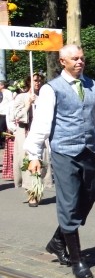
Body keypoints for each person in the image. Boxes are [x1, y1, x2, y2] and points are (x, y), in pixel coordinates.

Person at [25, 45, 95, 278]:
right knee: (69, 203)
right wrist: (34, 155)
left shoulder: (92, 85)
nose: (80, 62)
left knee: (89, 197)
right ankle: (77, 259)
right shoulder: (52, 89)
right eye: (75, 59)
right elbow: (42, 123)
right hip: (64, 152)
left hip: (89, 150)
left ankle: (57, 241)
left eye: (82, 58)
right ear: (63, 62)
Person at [9, 74, 50, 203]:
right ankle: (31, 191)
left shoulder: (42, 98)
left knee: (41, 160)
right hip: (25, 133)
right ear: (29, 82)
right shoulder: (21, 97)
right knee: (26, 161)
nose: (37, 82)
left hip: (39, 134)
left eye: (39, 80)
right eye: (35, 80)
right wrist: (28, 104)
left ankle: (37, 189)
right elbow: (16, 116)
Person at [0, 80, 11, 149]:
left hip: (5, 113)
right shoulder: (0, 93)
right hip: (0, 113)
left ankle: (3, 143)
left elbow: (11, 102)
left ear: (2, 85)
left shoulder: (8, 92)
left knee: (2, 128)